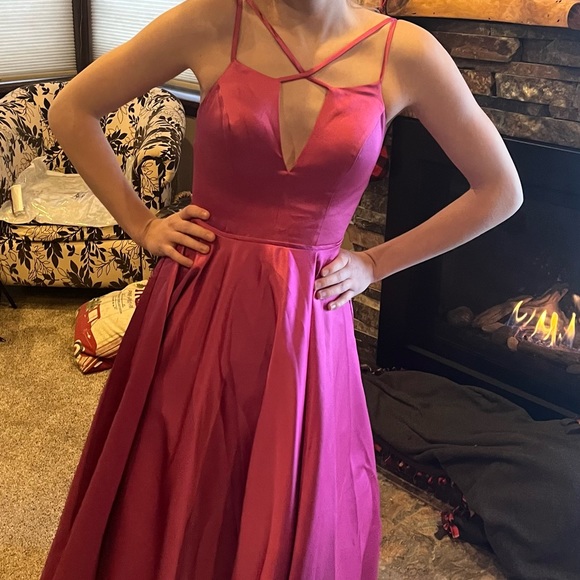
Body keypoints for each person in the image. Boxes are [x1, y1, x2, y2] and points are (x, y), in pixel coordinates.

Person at [40, 0, 523, 578]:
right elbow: (72, 110)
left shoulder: (407, 52)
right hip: (201, 307)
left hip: (308, 325)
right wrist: (142, 224)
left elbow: (499, 189)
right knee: (180, 483)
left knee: (290, 494)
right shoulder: (210, 19)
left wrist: (374, 263)